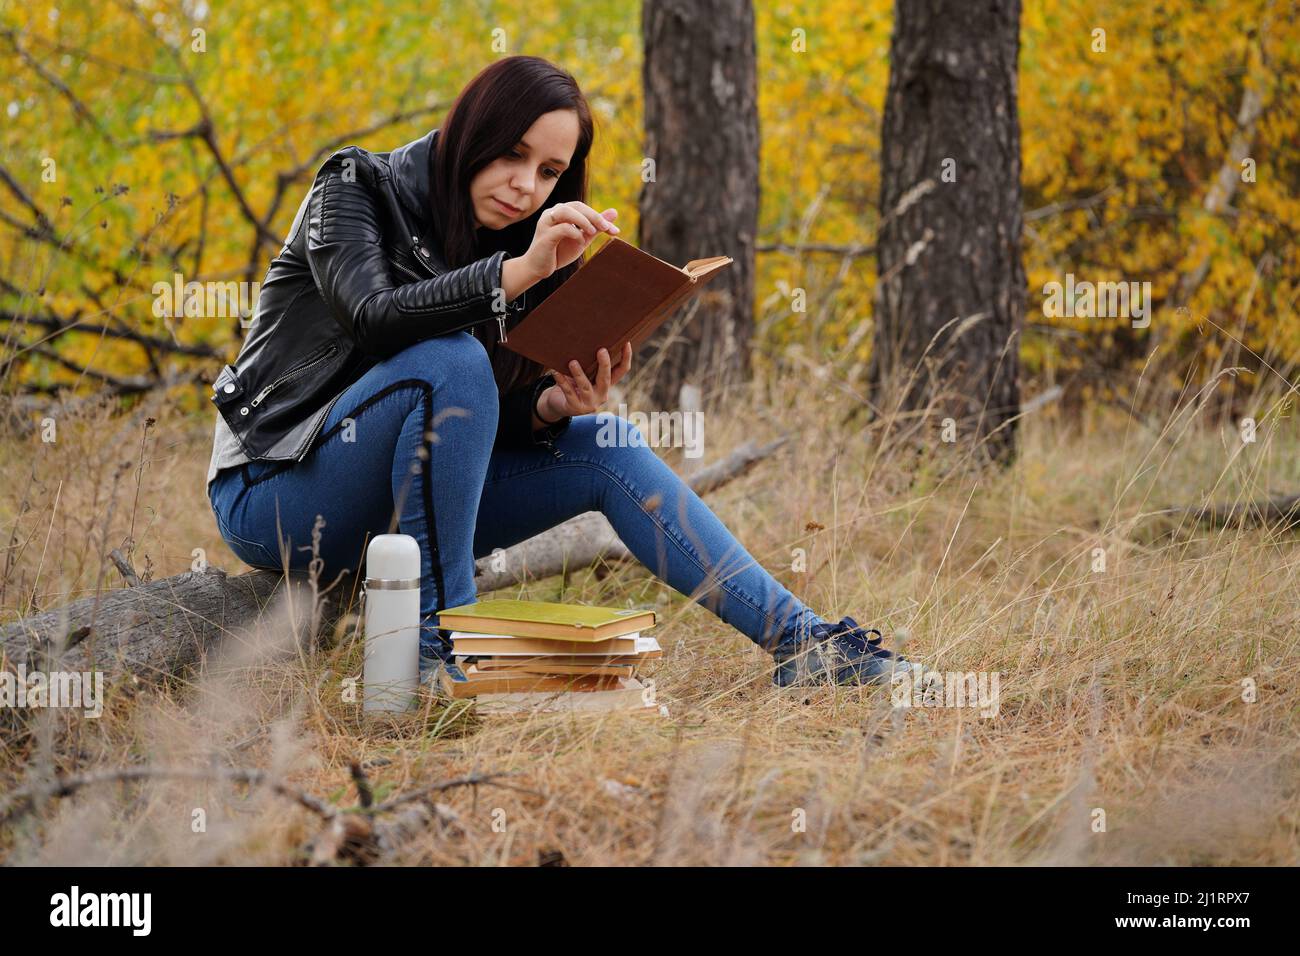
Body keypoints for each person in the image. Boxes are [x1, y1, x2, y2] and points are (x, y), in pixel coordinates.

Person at [205, 55, 918, 689]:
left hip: (407, 503)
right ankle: (440, 654)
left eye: (548, 172)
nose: (525, 186)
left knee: (604, 444)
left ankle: (810, 647)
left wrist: (550, 408)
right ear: (470, 131)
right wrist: (514, 274)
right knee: (448, 357)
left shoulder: (522, 245)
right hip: (279, 492)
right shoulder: (357, 185)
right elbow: (374, 317)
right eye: (513, 155)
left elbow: (468, 416)